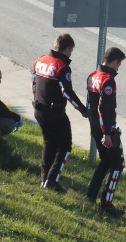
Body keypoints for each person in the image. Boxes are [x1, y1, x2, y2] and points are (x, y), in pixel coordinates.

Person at [32, 33, 90, 193]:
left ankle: (45, 179)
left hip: (39, 108)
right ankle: (52, 181)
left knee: (49, 144)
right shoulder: (62, 67)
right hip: (54, 112)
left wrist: (35, 101)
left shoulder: (40, 60)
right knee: (64, 147)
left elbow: (34, 83)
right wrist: (83, 110)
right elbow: (66, 92)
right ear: (67, 49)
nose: (71, 54)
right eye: (71, 51)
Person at [85, 47, 126, 217]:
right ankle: (107, 203)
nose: (118, 68)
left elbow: (90, 105)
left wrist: (94, 128)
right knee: (118, 164)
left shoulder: (92, 76)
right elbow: (103, 108)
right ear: (115, 61)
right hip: (106, 130)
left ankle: (91, 195)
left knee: (105, 162)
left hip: (96, 127)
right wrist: (107, 134)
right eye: (119, 65)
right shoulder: (108, 80)